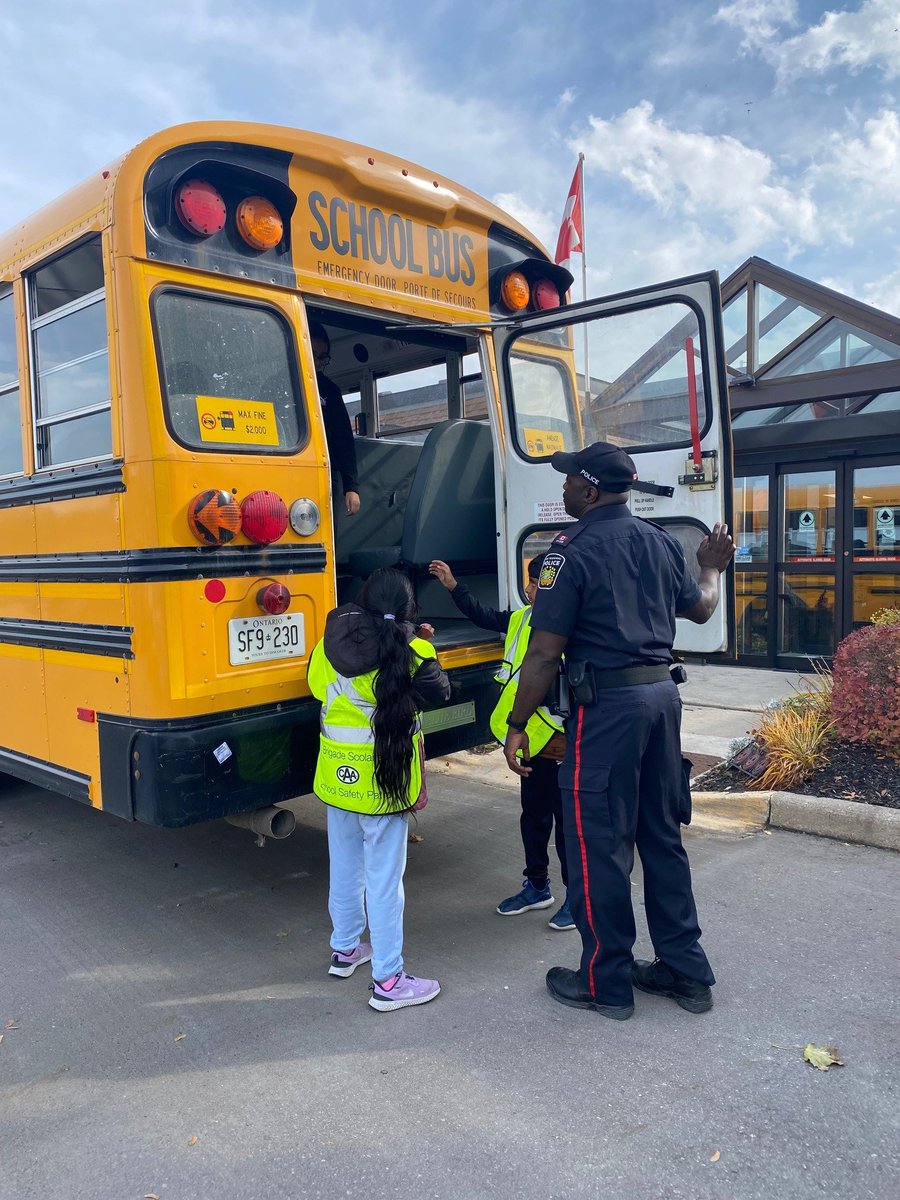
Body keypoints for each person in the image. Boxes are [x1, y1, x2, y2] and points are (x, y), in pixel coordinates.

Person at [502, 441, 735, 1021]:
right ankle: (685, 972)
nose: (561, 492)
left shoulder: (566, 554)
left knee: (596, 844)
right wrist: (710, 565)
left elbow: (543, 655)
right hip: (662, 703)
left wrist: (516, 724)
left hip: (607, 710)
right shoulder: (659, 543)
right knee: (661, 836)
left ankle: (605, 981)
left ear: (588, 489)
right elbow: (703, 607)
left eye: (566, 482)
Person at [307, 568, 450, 1011]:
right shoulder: (413, 651)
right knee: (385, 883)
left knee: (345, 868)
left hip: (336, 778)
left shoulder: (325, 648)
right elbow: (439, 693)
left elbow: (316, 689)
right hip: (384, 782)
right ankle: (388, 980)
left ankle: (346, 949)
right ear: (407, 613)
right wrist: (419, 641)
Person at [428, 555, 573, 931]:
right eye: (530, 581)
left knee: (569, 824)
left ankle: (579, 897)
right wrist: (452, 585)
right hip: (527, 739)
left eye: (535, 581)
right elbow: (481, 615)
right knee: (534, 816)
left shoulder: (576, 625)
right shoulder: (520, 619)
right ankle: (537, 886)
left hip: (561, 741)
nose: (529, 588)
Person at [309, 320, 361, 516]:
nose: (318, 363)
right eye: (314, 355)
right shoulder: (279, 383)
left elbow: (344, 439)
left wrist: (351, 487)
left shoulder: (330, 390)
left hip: (327, 472)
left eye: (323, 358)